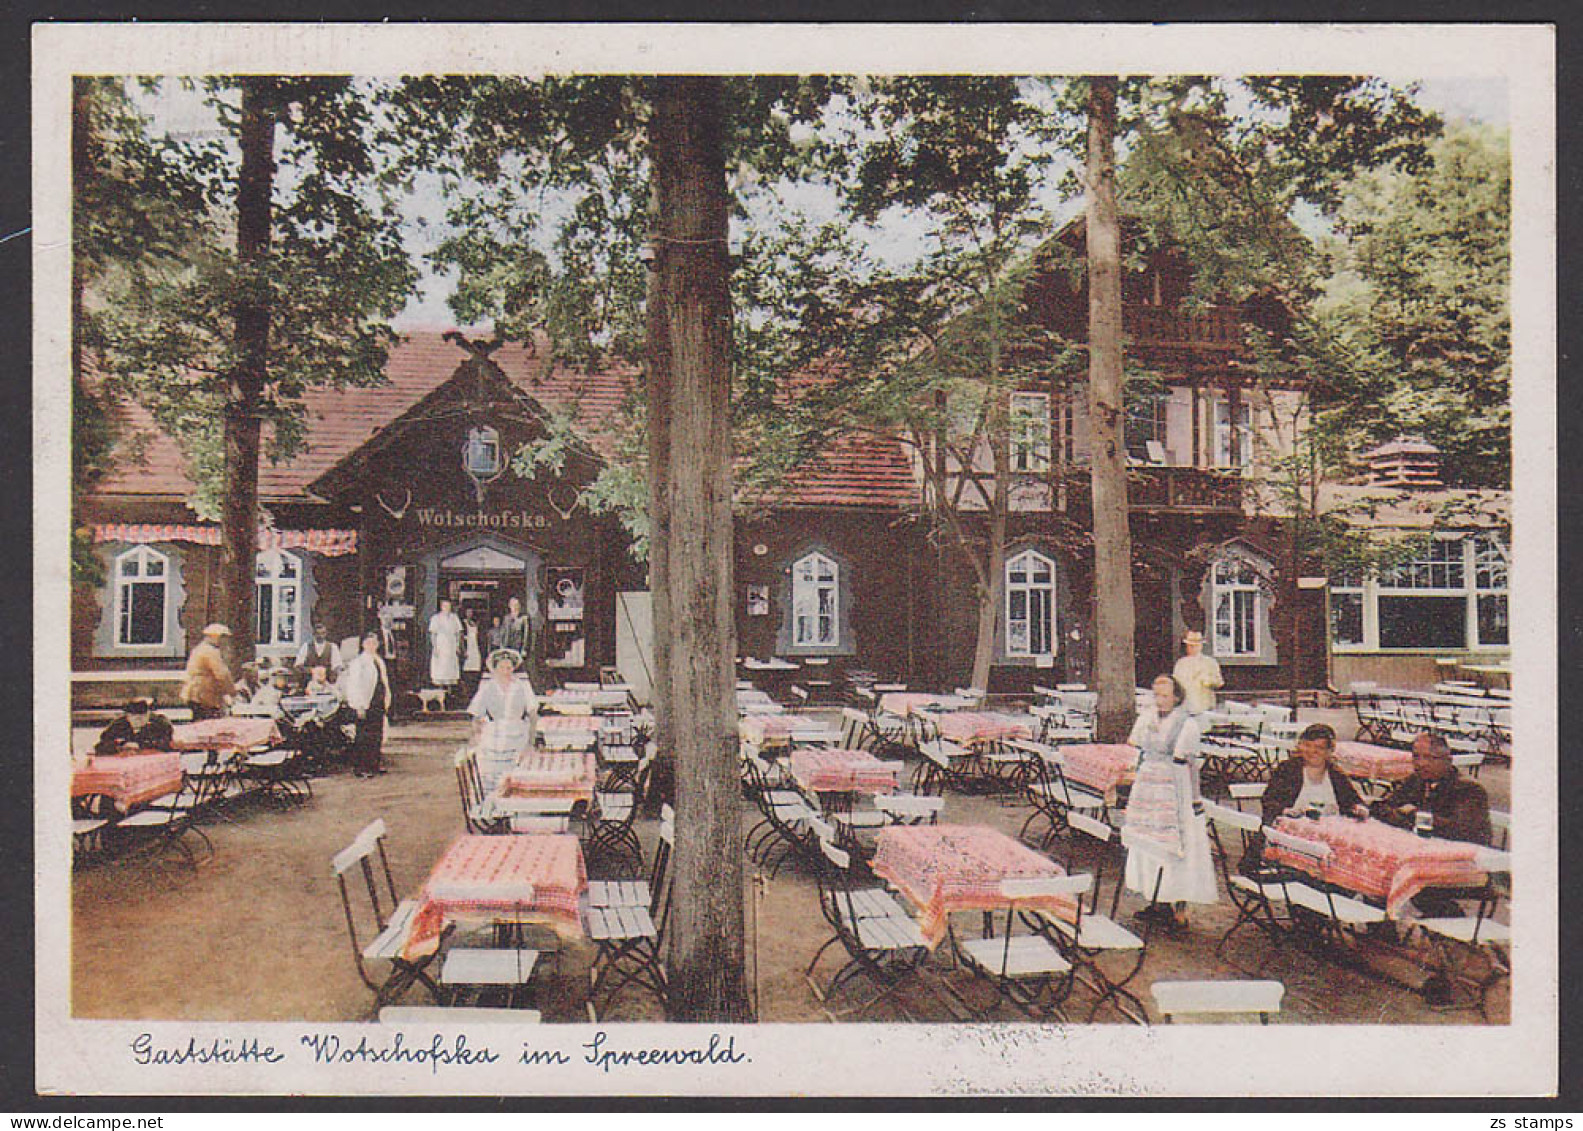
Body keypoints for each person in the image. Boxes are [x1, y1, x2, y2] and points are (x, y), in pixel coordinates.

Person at [1120, 674, 1218, 929]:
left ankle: (1180, 908)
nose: (1160, 700)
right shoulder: (1146, 718)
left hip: (1176, 790)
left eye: (1165, 695)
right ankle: (1157, 901)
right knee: (1149, 843)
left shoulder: (1187, 724)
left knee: (1179, 845)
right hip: (1148, 789)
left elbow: (1191, 765)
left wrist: (1195, 799)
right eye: (1157, 695)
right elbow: (1136, 748)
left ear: (1177, 697)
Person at [1240, 723, 1368, 872]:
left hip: (1329, 835)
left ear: (1329, 751)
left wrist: (1359, 808)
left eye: (1319, 748)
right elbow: (1269, 800)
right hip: (1291, 833)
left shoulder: (1335, 774)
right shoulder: (1288, 769)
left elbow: (1353, 800)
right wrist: (1285, 810)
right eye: (1307, 745)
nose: (1312, 751)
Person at [1370, 732, 1491, 847]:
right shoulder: (1415, 780)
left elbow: (1461, 832)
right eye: (1416, 756)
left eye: (1430, 758)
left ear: (1448, 761)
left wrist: (1412, 814)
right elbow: (1382, 807)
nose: (1421, 763)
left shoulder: (1468, 789)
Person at [467, 648, 538, 793]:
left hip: (518, 734)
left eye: (509, 667)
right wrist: (476, 738)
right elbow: (476, 715)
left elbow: (533, 714)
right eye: (501, 667)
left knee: (517, 774)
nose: (506, 671)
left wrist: (531, 742)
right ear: (495, 669)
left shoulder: (522, 686)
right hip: (494, 735)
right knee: (489, 773)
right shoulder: (487, 687)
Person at [343, 632, 393, 777]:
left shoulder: (378, 660)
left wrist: (386, 699)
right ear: (363, 645)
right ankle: (361, 768)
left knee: (376, 734)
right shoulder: (358, 662)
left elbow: (383, 681)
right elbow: (354, 685)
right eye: (368, 643)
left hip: (378, 701)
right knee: (363, 736)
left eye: (374, 643)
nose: (372, 646)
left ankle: (374, 764)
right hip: (365, 702)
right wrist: (358, 705)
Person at [181, 623, 235, 721]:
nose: (225, 641)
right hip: (204, 695)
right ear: (216, 637)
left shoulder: (199, 649)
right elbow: (222, 675)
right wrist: (232, 692)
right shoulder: (210, 651)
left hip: (196, 694)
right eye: (223, 637)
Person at [1172, 629, 1224, 716]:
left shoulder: (1210, 662)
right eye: (1190, 645)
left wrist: (1208, 681)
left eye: (1195, 645)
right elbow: (1175, 685)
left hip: (1205, 707)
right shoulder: (1181, 663)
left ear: (1201, 646)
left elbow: (1219, 682)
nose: (1192, 648)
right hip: (1186, 708)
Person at [94, 698, 174, 755]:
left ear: (148, 715)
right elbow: (101, 745)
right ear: (127, 716)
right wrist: (121, 746)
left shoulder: (160, 723)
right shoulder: (118, 725)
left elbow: (167, 744)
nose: (138, 719)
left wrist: (140, 745)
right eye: (133, 716)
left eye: (142, 716)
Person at [428, 598, 463, 693]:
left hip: (451, 645)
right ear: (441, 607)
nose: (447, 608)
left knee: (451, 669)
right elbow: (433, 634)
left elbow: (458, 633)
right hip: (440, 645)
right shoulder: (436, 618)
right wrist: (434, 647)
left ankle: (450, 691)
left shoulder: (454, 617)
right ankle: (440, 691)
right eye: (445, 606)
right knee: (440, 669)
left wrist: (457, 645)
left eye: (449, 606)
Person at [461, 608, 484, 701]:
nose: (469, 614)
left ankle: (474, 692)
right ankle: (466, 693)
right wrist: (463, 650)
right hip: (468, 649)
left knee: (476, 670)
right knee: (467, 670)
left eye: (471, 612)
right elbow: (461, 638)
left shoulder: (476, 623)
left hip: (475, 648)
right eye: (468, 612)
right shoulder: (463, 623)